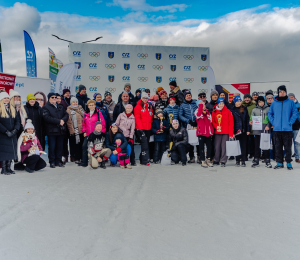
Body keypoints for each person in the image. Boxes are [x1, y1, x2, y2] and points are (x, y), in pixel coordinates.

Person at [268, 85, 298, 170]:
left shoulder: (290, 102)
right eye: (281, 92)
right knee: (278, 146)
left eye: (284, 92)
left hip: (287, 129)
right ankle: (279, 162)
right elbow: (270, 114)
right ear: (278, 92)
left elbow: (295, 113)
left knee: (288, 147)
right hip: (277, 129)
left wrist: (290, 122)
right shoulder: (274, 103)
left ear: (286, 92)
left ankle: (288, 162)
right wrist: (274, 122)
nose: (282, 93)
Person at [42, 93, 69, 168]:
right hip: (52, 131)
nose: (54, 98)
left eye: (55, 97)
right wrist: (58, 121)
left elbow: (66, 115)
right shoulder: (45, 107)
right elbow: (47, 117)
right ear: (49, 98)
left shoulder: (60, 106)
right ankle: (52, 162)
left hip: (61, 130)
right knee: (52, 147)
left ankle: (58, 161)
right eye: (52, 97)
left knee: (60, 147)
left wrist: (63, 120)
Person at [80, 100, 106, 167]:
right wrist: (84, 131)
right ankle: (84, 162)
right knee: (84, 146)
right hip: (88, 134)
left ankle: (101, 161)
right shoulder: (86, 114)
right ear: (88, 106)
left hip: (96, 134)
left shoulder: (98, 113)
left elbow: (103, 124)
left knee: (98, 147)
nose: (91, 106)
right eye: (90, 105)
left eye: (93, 105)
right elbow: (83, 124)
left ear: (95, 106)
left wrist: (101, 133)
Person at [0, 92, 21, 175]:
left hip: (12, 134)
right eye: (5, 98)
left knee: (11, 151)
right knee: (4, 151)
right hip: (3, 134)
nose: (7, 99)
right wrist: (5, 131)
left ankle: (9, 168)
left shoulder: (12, 108)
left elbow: (17, 121)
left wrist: (15, 130)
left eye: (8, 98)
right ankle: (4, 169)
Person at [250, 96, 272, 168]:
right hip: (257, 131)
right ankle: (256, 159)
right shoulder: (254, 110)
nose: (261, 103)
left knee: (266, 146)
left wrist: (268, 125)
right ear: (257, 102)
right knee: (257, 146)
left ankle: (267, 159)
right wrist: (251, 122)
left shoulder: (268, 109)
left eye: (262, 102)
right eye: (259, 102)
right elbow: (251, 118)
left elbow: (271, 118)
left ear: (264, 102)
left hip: (265, 130)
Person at [212, 98, 234, 167]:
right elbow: (213, 121)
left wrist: (231, 133)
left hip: (226, 132)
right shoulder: (214, 111)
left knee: (224, 147)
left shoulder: (228, 111)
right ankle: (216, 159)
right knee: (217, 146)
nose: (221, 105)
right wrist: (216, 126)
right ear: (217, 104)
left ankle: (223, 160)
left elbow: (231, 123)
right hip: (218, 132)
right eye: (220, 104)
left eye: (222, 103)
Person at [230, 96, 250, 167]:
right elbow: (231, 122)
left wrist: (248, 130)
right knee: (237, 146)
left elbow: (247, 119)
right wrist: (232, 132)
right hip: (236, 131)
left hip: (244, 130)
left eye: (240, 101)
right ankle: (237, 160)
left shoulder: (244, 108)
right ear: (235, 102)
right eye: (237, 101)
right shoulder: (232, 109)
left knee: (243, 146)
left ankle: (243, 160)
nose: (239, 103)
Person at [134, 92, 154, 166]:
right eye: (144, 98)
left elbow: (151, 117)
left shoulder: (149, 106)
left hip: (148, 129)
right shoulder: (138, 107)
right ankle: (144, 160)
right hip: (141, 129)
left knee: (146, 144)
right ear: (141, 98)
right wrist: (140, 128)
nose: (145, 99)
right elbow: (137, 118)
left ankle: (142, 158)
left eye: (146, 98)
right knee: (144, 145)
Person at [179, 90, 198, 163]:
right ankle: (192, 157)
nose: (189, 96)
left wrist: (196, 120)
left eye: (189, 95)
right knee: (190, 142)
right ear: (185, 97)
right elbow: (180, 115)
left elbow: (199, 111)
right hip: (188, 125)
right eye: (187, 96)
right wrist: (188, 121)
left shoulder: (195, 103)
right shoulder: (182, 105)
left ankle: (199, 156)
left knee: (198, 141)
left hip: (196, 124)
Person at [195, 100, 214, 167]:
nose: (203, 106)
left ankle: (208, 159)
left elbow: (210, 121)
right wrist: (200, 106)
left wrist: (211, 130)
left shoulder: (208, 112)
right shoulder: (197, 111)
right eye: (201, 105)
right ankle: (203, 160)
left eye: (204, 104)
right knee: (201, 147)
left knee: (209, 147)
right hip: (201, 133)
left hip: (208, 133)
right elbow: (198, 115)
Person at [66, 97, 85, 164]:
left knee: (82, 145)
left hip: (82, 130)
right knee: (76, 145)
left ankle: (83, 158)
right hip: (75, 131)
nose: (75, 103)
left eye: (76, 102)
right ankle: (77, 158)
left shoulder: (81, 109)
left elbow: (85, 118)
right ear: (71, 103)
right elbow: (69, 121)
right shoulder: (69, 110)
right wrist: (72, 131)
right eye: (73, 102)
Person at [242, 93, 256, 159]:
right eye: (245, 98)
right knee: (245, 142)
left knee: (252, 141)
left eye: (248, 98)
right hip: (244, 126)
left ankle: (252, 153)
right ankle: (246, 154)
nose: (247, 99)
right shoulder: (241, 105)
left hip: (252, 126)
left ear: (250, 99)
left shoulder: (254, 106)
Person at [287, 93, 300, 163]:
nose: (291, 98)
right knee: (288, 143)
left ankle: (297, 157)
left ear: (294, 98)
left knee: (297, 143)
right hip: (288, 126)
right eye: (289, 97)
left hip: (296, 126)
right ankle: (288, 157)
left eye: (292, 97)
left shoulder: (299, 105)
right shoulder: (287, 105)